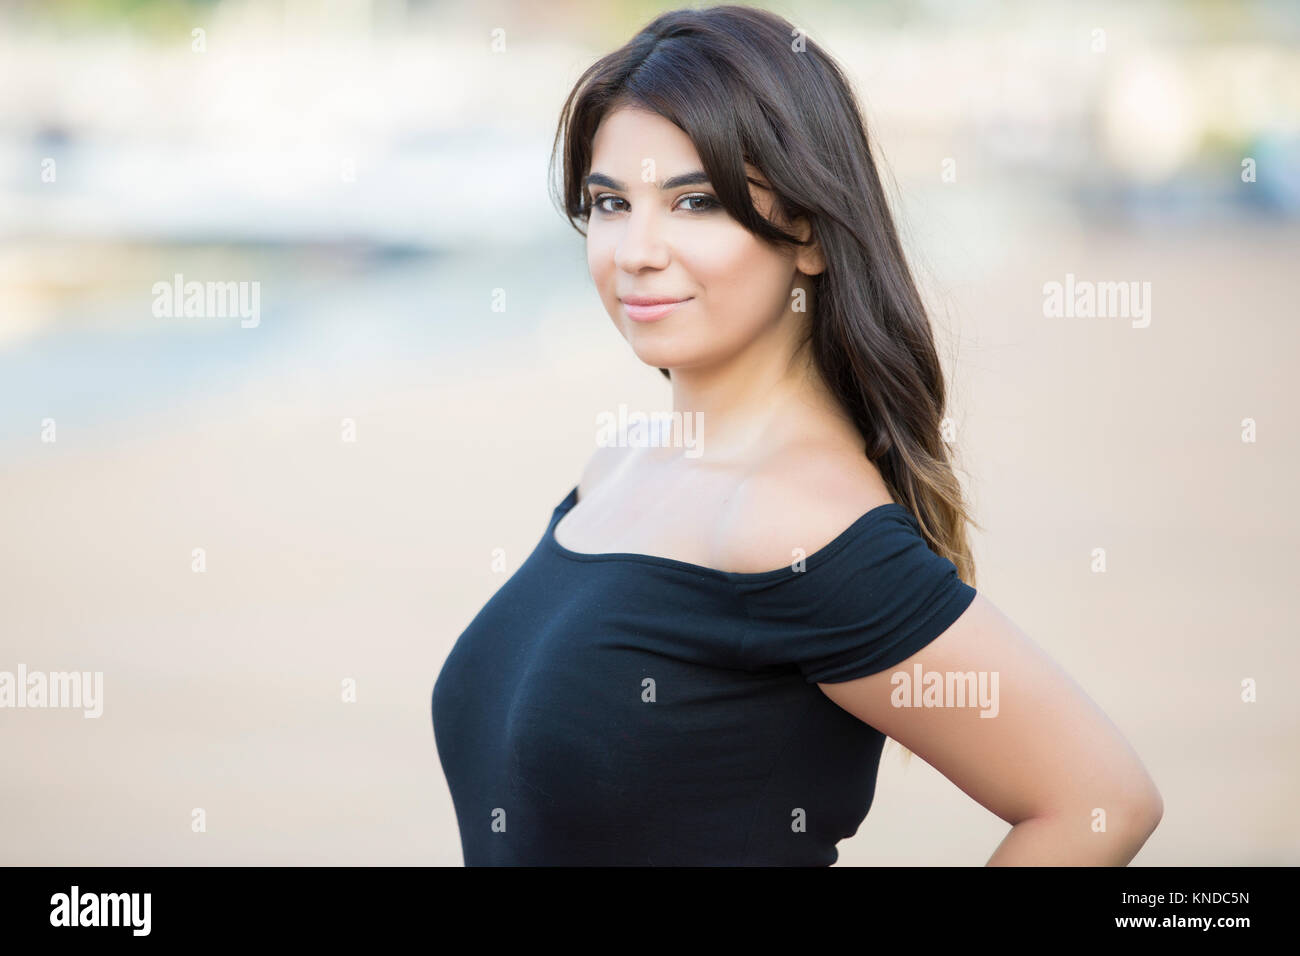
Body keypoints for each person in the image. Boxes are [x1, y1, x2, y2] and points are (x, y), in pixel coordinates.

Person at [431, 4, 1162, 866]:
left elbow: (1098, 801)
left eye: (694, 201)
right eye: (611, 203)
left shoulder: (799, 520)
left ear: (809, 229)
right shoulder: (618, 462)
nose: (636, 248)